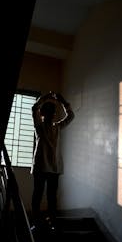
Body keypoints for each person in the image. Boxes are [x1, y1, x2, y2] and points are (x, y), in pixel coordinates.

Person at [30, 91, 74, 231]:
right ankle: (36, 222)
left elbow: (71, 116)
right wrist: (46, 98)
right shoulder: (39, 126)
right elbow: (34, 108)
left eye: (52, 112)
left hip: (53, 168)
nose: (51, 114)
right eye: (49, 111)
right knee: (39, 194)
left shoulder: (58, 127)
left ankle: (51, 223)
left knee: (51, 197)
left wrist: (62, 101)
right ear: (43, 114)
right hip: (42, 167)